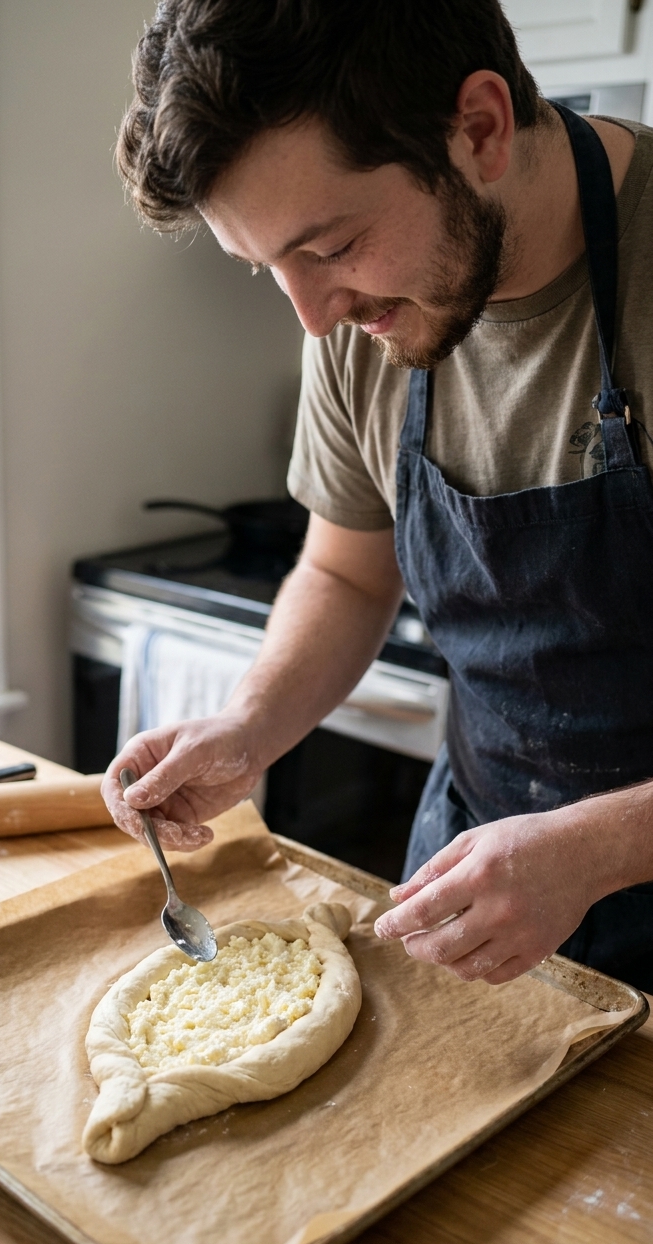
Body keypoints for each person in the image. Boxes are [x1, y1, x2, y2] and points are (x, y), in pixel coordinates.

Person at [101, 0, 653, 992]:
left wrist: (600, 847)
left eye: (333, 246)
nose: (313, 319)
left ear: (480, 128)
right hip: (475, 885)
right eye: (269, 267)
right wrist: (250, 723)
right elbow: (350, 574)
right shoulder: (364, 321)